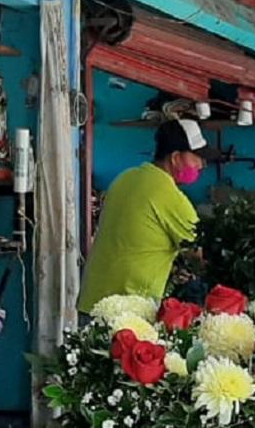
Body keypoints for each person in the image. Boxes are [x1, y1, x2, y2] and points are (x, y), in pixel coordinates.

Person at [77, 119, 218, 316]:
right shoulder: (167, 193)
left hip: (92, 300)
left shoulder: (126, 177)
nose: (201, 165)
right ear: (176, 158)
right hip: (127, 310)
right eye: (196, 158)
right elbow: (199, 253)